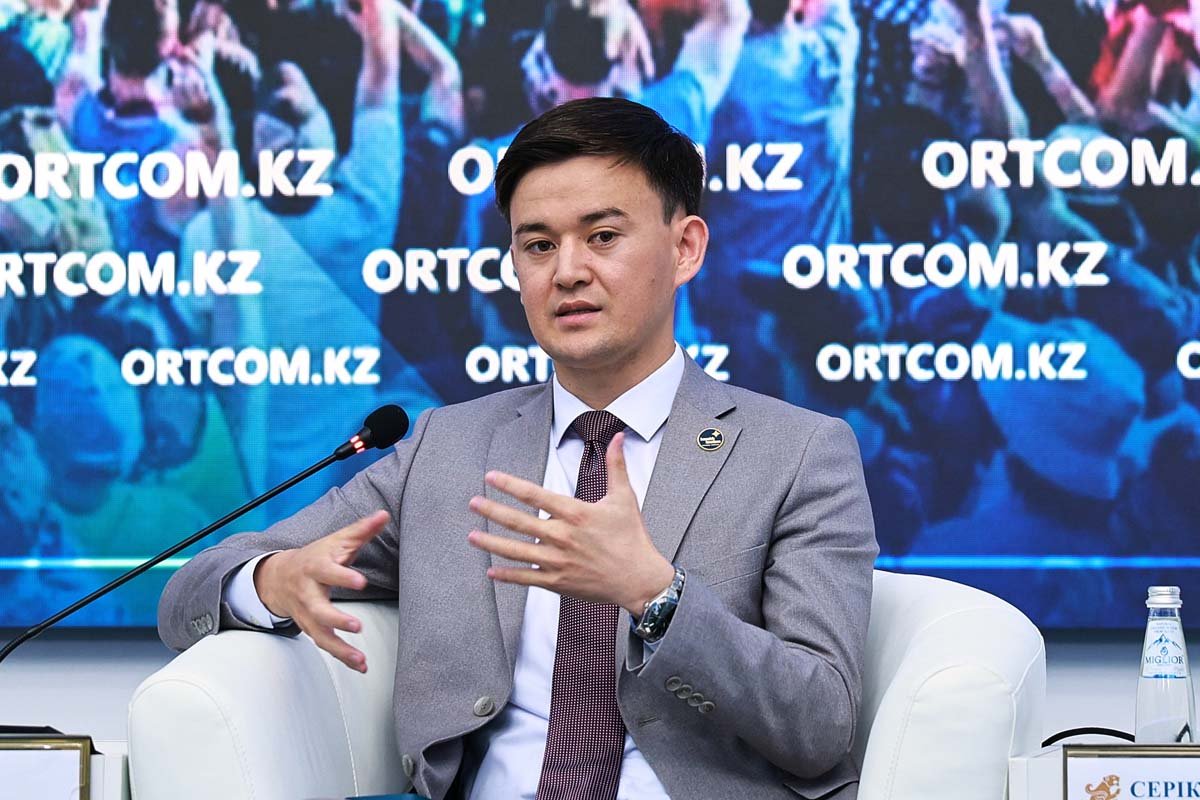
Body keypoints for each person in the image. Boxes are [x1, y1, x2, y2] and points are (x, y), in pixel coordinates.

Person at [158, 96, 877, 800]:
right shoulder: (448, 449)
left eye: (603, 237)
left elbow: (821, 723)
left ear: (685, 248)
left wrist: (654, 595)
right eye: (538, 245)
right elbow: (188, 591)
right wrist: (271, 581)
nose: (567, 271)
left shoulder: (799, 455)